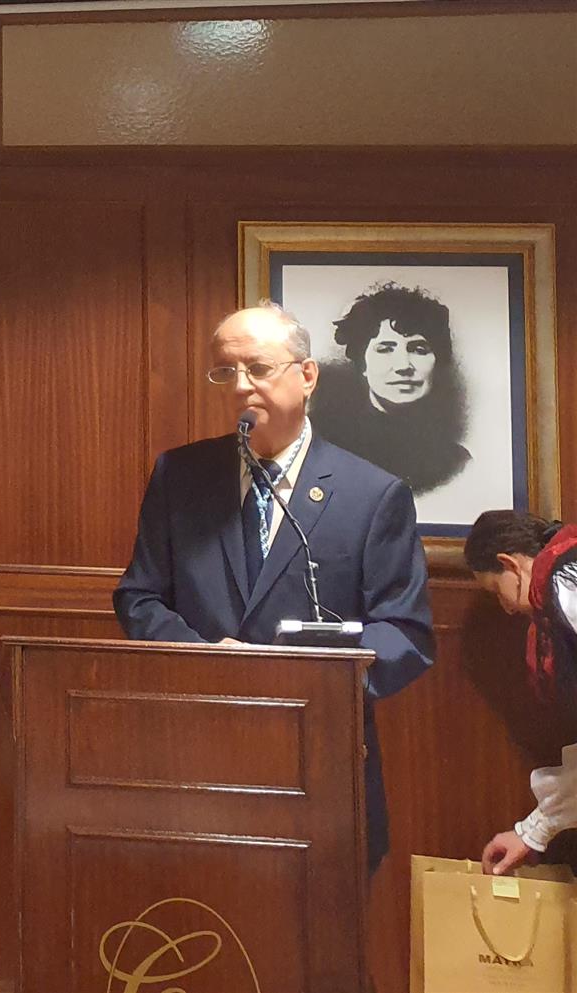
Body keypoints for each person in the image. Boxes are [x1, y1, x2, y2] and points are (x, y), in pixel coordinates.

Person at [114, 302, 435, 870]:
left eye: (258, 368)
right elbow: (139, 596)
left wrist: (308, 677)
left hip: (319, 756)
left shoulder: (372, 493)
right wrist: (206, 656)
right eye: (224, 372)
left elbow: (405, 631)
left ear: (305, 376)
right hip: (197, 745)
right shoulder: (180, 476)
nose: (240, 387)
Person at [466, 510, 577, 874]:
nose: (507, 609)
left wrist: (533, 831)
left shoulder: (564, 584)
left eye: (497, 592)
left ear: (509, 563)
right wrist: (532, 831)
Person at [312, 282, 470, 494]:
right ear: (362, 363)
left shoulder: (455, 462)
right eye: (385, 349)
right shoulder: (323, 446)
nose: (403, 366)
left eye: (419, 349)